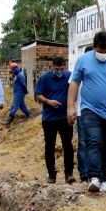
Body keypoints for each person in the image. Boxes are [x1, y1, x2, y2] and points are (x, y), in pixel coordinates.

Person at [67, 31, 106, 194]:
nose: (103, 55)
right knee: (93, 141)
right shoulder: (83, 60)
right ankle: (94, 177)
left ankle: (103, 179)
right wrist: (70, 106)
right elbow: (74, 83)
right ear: (94, 48)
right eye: (100, 52)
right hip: (90, 109)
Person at [35, 56, 74, 184]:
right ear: (52, 67)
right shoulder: (45, 78)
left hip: (65, 118)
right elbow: (38, 95)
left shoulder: (69, 76)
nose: (59, 71)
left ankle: (69, 174)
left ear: (65, 67)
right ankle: (51, 174)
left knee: (67, 146)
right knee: (49, 147)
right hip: (49, 119)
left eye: (61, 69)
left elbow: (75, 91)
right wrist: (48, 101)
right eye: (57, 69)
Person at [74, 45, 93, 183]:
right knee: (82, 144)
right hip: (81, 113)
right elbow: (72, 91)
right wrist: (72, 110)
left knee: (95, 144)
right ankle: (84, 174)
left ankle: (94, 174)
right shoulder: (79, 72)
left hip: (97, 114)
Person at [3, 61, 31, 126]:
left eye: (12, 70)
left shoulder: (20, 75)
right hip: (18, 93)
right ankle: (28, 115)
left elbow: (23, 84)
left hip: (20, 93)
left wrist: (26, 91)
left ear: (15, 69)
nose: (12, 72)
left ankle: (9, 121)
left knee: (14, 105)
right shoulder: (17, 75)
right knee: (22, 105)